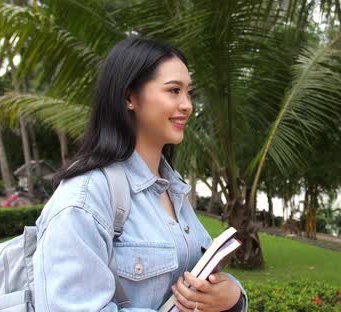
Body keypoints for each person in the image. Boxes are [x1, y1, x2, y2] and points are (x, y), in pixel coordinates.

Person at [33, 37, 248, 312]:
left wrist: (231, 296)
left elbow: (200, 281)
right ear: (130, 97)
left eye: (189, 92)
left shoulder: (173, 188)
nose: (187, 105)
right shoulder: (84, 198)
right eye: (173, 91)